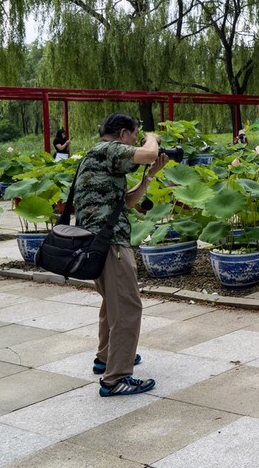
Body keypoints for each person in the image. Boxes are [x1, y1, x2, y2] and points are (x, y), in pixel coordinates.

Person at [76, 114, 168, 397]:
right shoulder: (109, 149)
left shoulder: (98, 155)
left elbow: (126, 202)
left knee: (112, 304)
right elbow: (149, 151)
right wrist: (151, 138)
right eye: (135, 136)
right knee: (128, 307)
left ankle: (105, 357)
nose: (135, 143)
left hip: (97, 243)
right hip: (110, 245)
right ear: (124, 134)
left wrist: (150, 175)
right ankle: (116, 377)